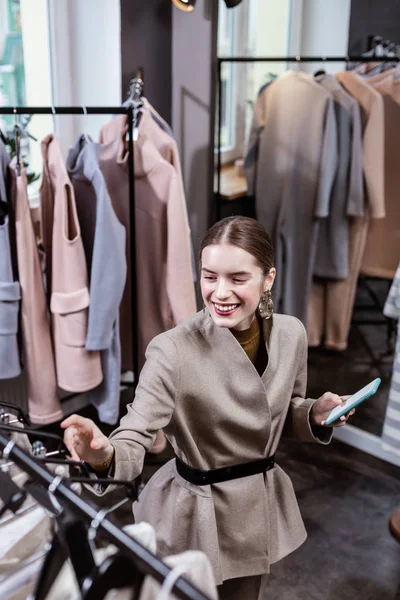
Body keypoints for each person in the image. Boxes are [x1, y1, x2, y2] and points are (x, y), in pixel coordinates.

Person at [62, 216, 354, 600]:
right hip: (195, 516)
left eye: (237, 278)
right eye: (209, 276)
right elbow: (134, 434)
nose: (220, 292)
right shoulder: (173, 350)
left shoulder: (291, 334)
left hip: (256, 508)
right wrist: (102, 454)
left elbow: (283, 410)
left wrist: (314, 414)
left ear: (268, 279)